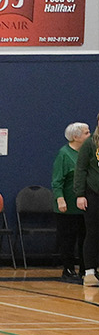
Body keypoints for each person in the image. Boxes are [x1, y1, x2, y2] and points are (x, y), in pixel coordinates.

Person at [52, 121, 89, 281]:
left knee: (85, 237)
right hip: (68, 205)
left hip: (85, 205)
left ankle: (85, 269)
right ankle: (67, 268)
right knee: (68, 239)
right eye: (87, 133)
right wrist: (60, 199)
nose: (90, 135)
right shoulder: (64, 154)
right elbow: (57, 180)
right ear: (76, 137)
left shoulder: (87, 153)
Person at [76, 109, 99, 286]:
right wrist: (80, 194)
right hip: (93, 193)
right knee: (92, 233)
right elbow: (81, 169)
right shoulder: (90, 144)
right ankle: (89, 272)